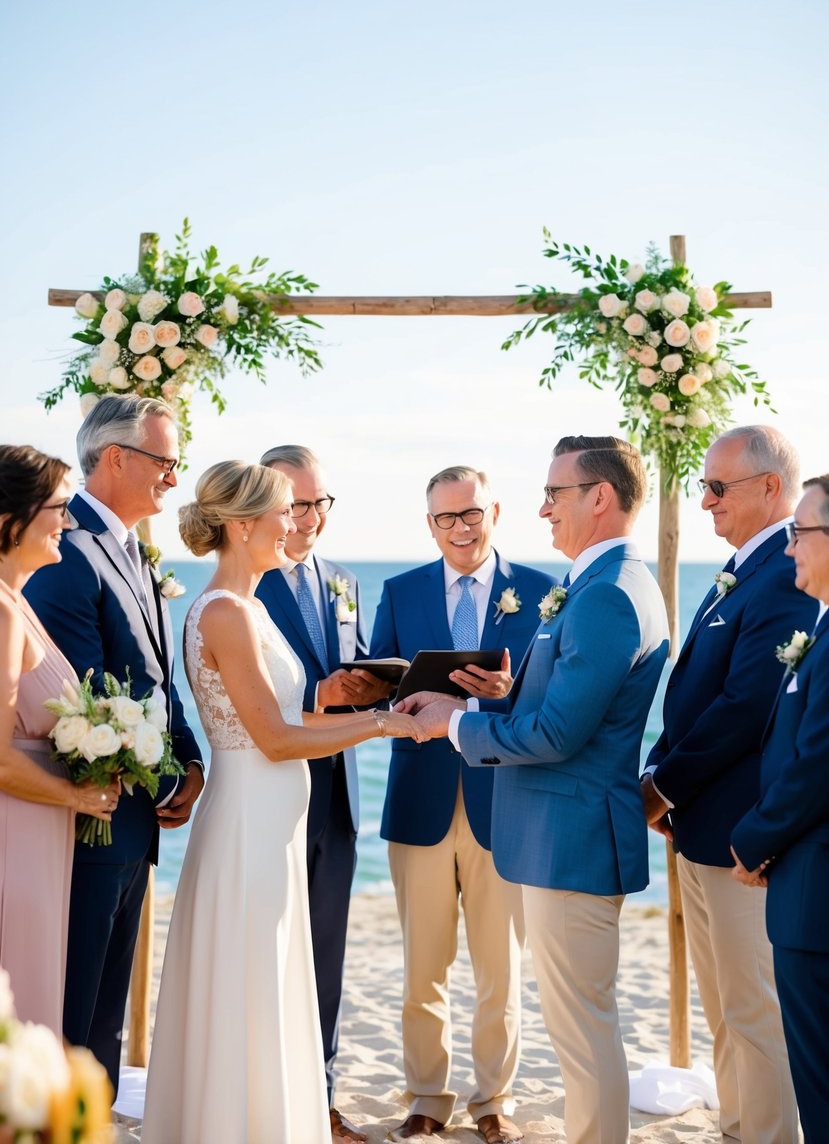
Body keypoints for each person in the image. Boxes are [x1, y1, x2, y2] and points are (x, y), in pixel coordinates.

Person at [142, 461, 427, 1144]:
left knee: (269, 976)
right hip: (246, 823)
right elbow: (271, 739)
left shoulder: (249, 608)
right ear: (243, 526)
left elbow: (297, 717)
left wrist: (392, 707)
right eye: (282, 512)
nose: (294, 523)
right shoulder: (223, 613)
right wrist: (385, 725)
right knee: (247, 977)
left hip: (273, 823)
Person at [398, 437, 669, 1144]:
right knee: (579, 1028)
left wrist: (455, 724)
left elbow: (555, 736)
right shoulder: (597, 583)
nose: (543, 508)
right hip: (560, 837)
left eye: (556, 493)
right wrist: (494, 701)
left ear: (599, 498)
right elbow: (552, 705)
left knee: (582, 1033)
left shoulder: (605, 592)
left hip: (571, 838)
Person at [370, 465, 556, 1143]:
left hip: (503, 802)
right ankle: (425, 1095)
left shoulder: (539, 591)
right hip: (418, 799)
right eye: (446, 518)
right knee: (422, 967)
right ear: (429, 524)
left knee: (499, 970)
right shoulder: (398, 590)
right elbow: (376, 685)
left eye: (471, 513)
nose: (460, 528)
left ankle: (493, 1100)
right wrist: (391, 696)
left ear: (494, 511)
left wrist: (490, 699)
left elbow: (549, 700)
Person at [24, 395, 203, 1094]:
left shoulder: (133, 551)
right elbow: (88, 694)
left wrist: (188, 764)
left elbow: (157, 682)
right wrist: (159, 781)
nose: (174, 479)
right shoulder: (70, 551)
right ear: (118, 458)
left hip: (137, 818)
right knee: (76, 1006)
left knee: (106, 1017)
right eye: (165, 462)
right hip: (91, 818)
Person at [642, 426, 811, 1144]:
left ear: (770, 488)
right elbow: (692, 694)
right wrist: (660, 771)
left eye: (718, 487)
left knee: (753, 1011)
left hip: (742, 838)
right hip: (699, 829)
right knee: (722, 1010)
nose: (705, 500)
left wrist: (660, 787)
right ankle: (737, 1128)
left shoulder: (783, 575)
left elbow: (745, 707)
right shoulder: (743, 569)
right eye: (702, 487)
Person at [255, 445, 387, 1143]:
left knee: (326, 959)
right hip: (272, 790)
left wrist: (379, 687)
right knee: (266, 954)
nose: (310, 518)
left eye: (321, 503)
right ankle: (266, 1095)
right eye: (298, 503)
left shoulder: (342, 578)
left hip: (338, 799)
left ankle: (322, 1100)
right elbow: (246, 683)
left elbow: (351, 665)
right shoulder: (246, 583)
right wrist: (318, 694)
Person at [0, 444, 119, 1035]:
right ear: (10, 520)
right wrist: (79, 798)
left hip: (38, 830)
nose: (69, 522)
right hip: (14, 835)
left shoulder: (18, 603)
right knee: (17, 993)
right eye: (59, 507)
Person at [731, 474, 829, 1144]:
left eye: (801, 533)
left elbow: (817, 765)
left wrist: (751, 840)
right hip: (803, 879)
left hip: (815, 897)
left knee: (819, 1080)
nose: (789, 547)